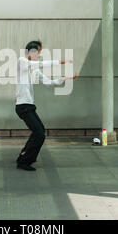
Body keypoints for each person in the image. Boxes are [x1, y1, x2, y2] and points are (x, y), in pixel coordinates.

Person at [15, 40, 77, 171]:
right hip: (22, 106)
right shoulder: (22, 61)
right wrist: (61, 62)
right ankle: (24, 161)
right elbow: (40, 64)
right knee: (39, 133)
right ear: (31, 52)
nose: (39, 55)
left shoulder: (34, 68)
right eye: (38, 52)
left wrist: (66, 78)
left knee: (40, 132)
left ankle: (23, 156)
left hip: (29, 106)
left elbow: (49, 82)